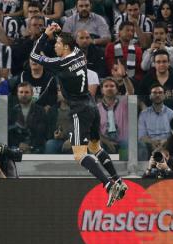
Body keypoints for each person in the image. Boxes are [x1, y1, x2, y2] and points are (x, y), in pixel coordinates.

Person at [30, 24, 127, 207]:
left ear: (65, 46)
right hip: (91, 106)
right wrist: (57, 33)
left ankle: (108, 185)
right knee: (95, 147)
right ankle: (119, 181)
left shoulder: (60, 64)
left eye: (57, 44)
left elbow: (34, 56)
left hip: (79, 110)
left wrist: (45, 35)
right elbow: (68, 41)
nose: (55, 46)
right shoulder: (78, 55)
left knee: (79, 154)